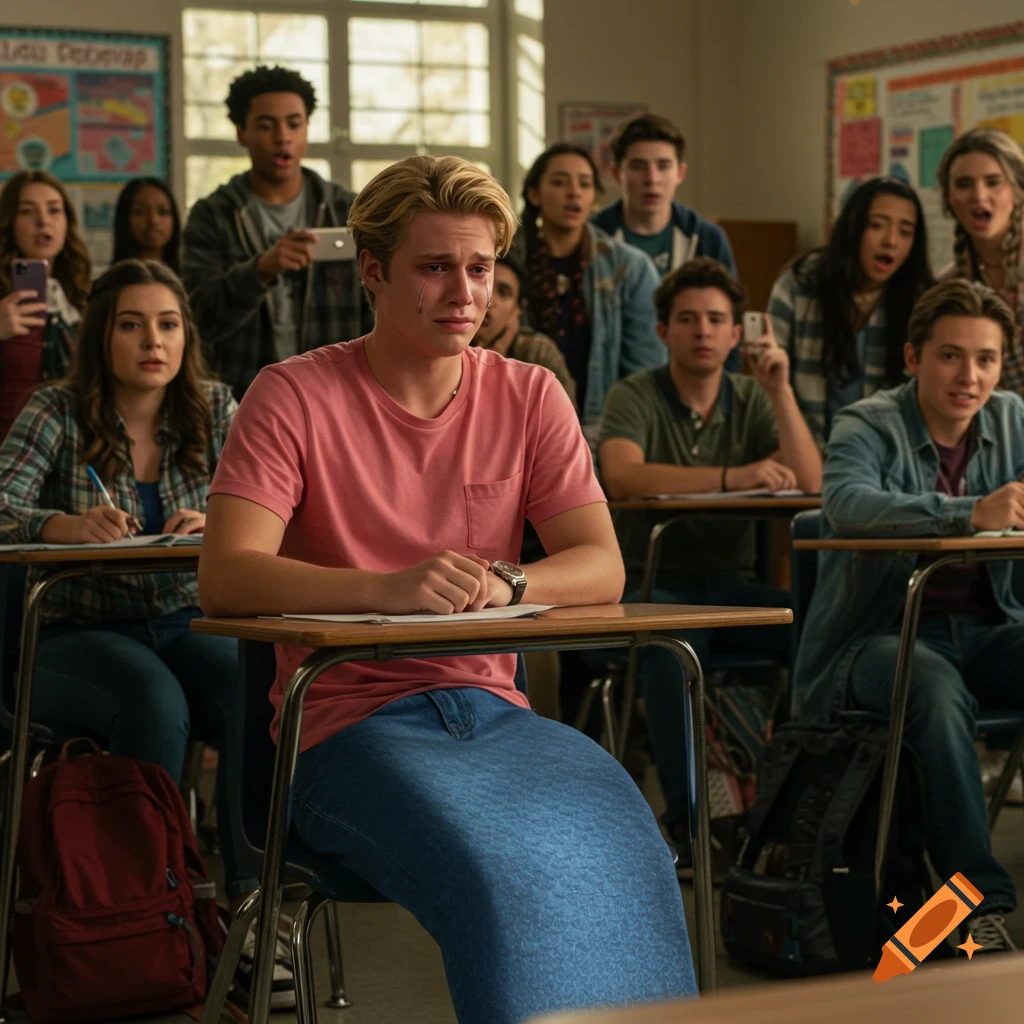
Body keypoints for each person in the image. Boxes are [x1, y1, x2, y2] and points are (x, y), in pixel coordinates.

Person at [198, 155, 696, 1024]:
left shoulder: (530, 394)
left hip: (493, 714)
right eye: (435, 267)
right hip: (345, 728)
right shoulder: (292, 395)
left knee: (631, 847)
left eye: (480, 268)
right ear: (373, 271)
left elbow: (600, 564)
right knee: (500, 874)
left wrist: (508, 581)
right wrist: (386, 588)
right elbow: (226, 576)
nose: (464, 293)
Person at [0, 258, 263, 942]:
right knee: (153, 700)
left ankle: (250, 911)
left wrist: (223, 519)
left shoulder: (215, 406)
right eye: (132, 325)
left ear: (185, 337)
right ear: (101, 336)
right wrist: (58, 525)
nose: (153, 341)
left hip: (187, 621)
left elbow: (281, 507)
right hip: (76, 633)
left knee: (256, 685)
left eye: (168, 325)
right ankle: (145, 918)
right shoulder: (56, 408)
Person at [794, 278, 1024, 954]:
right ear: (913, 356)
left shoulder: (1013, 418)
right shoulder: (868, 421)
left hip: (985, 632)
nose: (969, 376)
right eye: (950, 356)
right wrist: (967, 513)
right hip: (872, 642)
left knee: (945, 680)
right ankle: (973, 905)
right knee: (932, 687)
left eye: (986, 359)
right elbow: (845, 504)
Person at [598, 257, 821, 868]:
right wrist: (732, 476)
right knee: (675, 646)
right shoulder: (634, 393)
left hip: (731, 590)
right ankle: (691, 822)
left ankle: (794, 809)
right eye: (688, 319)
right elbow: (621, 474)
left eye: (717, 320)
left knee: (823, 630)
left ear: (736, 334)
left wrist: (780, 389)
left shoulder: (751, 395)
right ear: (663, 330)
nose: (703, 330)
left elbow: (812, 483)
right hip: (651, 589)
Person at [182, 64, 370, 398]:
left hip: (334, 392)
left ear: (307, 128)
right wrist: (260, 270)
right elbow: (198, 318)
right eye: (266, 125)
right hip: (243, 394)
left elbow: (378, 307)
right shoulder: (214, 215)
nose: (283, 137)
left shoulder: (348, 210)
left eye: (294, 124)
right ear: (242, 133)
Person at [768, 177, 934, 448]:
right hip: (803, 452)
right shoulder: (799, 284)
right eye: (877, 225)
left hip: (886, 457)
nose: (891, 241)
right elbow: (770, 384)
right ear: (853, 227)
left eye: (905, 232)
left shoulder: (920, 301)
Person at [518, 143, 665, 435]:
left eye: (585, 184)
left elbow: (644, 371)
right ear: (534, 194)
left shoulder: (629, 268)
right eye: (559, 182)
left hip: (601, 427)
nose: (574, 192)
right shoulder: (505, 260)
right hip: (519, 419)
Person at [0, 170, 90, 438]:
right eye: (27, 211)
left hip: (66, 450)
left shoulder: (79, 299)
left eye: (54, 210)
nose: (43, 221)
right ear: (10, 222)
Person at [593, 113, 736, 278]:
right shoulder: (592, 237)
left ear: (680, 173)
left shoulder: (707, 239)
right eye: (638, 166)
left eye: (663, 166)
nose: (652, 179)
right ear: (617, 174)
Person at [937, 126, 1024, 394]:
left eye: (993, 182)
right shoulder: (948, 286)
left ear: (1017, 191)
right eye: (964, 184)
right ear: (949, 199)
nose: (978, 195)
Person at [471, 249, 577, 407]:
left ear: (518, 310)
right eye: (483, 284)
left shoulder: (538, 353)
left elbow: (565, 418)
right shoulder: (444, 344)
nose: (489, 300)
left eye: (503, 293)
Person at [113, 177, 182, 274]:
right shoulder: (110, 281)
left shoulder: (191, 280)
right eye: (140, 212)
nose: (153, 220)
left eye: (163, 212)